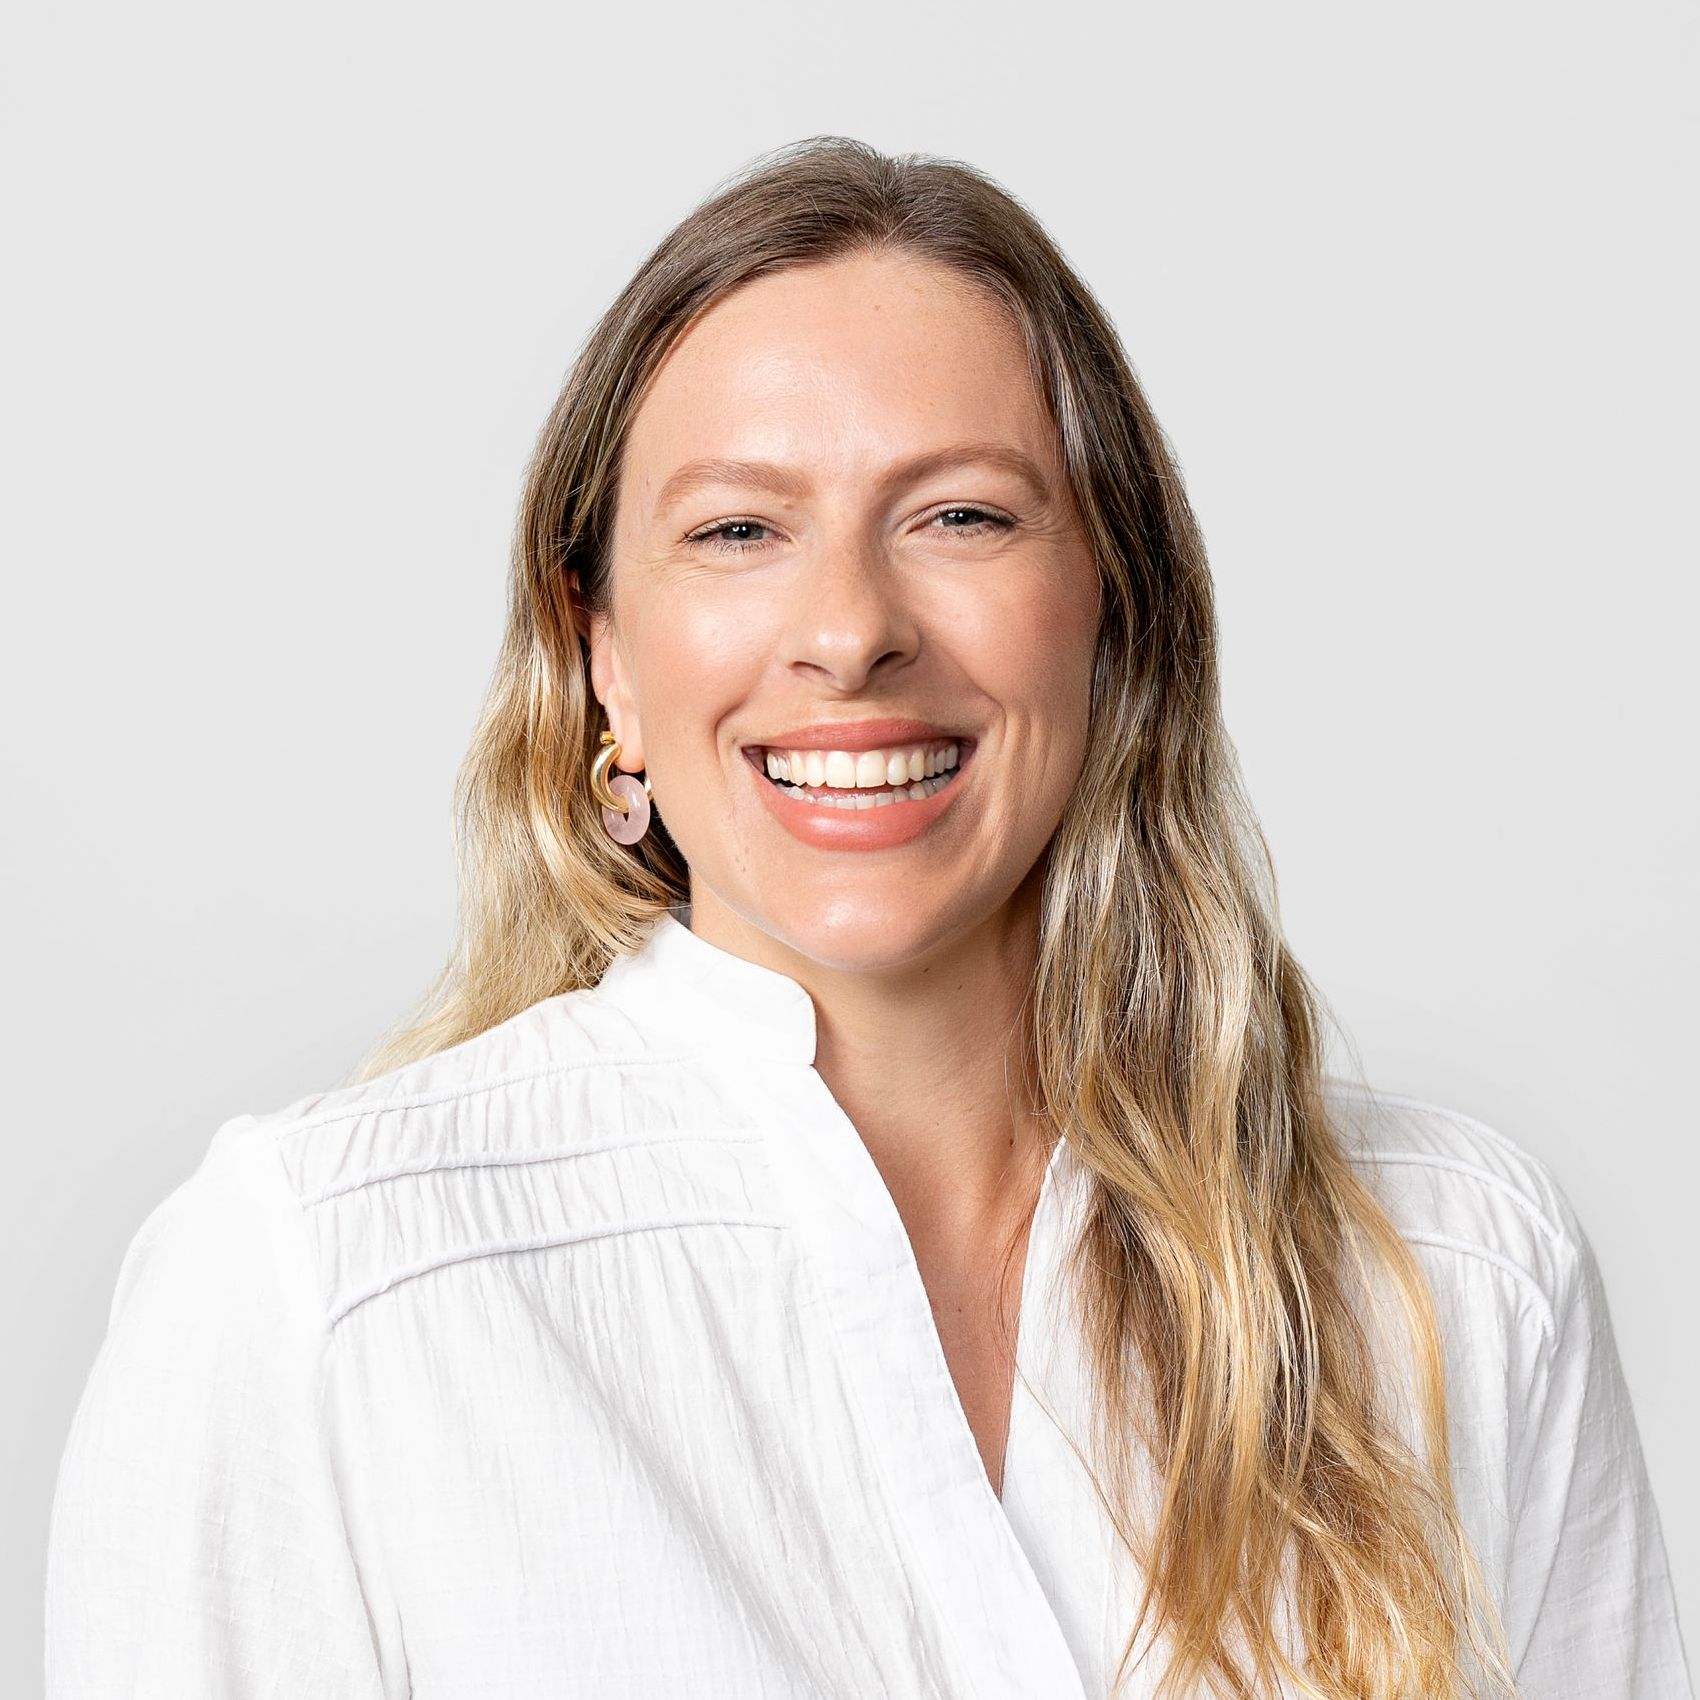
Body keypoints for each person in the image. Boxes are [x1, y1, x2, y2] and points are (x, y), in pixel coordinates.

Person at [44, 136, 1692, 1700]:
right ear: (605, 654)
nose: (848, 633)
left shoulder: (1458, 1272)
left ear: (1109, 616)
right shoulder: (326, 1289)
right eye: (739, 531)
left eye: (960, 515)